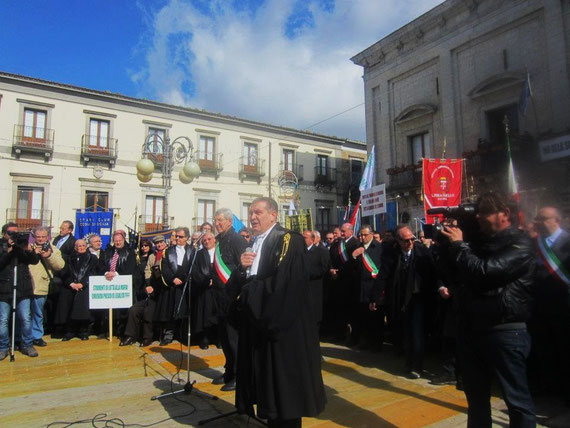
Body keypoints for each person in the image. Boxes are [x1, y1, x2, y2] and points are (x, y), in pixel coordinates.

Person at [441, 191, 536, 427]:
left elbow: (486, 272)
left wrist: (460, 246)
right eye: (478, 213)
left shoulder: (521, 244)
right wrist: (450, 240)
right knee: (477, 402)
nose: (479, 218)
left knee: (517, 402)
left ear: (504, 214)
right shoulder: (476, 243)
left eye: (484, 213)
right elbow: (452, 271)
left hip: (505, 331)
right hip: (472, 329)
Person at [230, 197, 326, 427]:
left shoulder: (287, 240)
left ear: (273, 215)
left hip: (282, 329)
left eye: (258, 212)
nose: (253, 217)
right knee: (269, 393)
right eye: (251, 212)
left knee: (286, 396)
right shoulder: (254, 243)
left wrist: (247, 294)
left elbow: (284, 285)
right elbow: (249, 280)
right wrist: (242, 271)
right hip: (262, 325)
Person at [372, 225, 437, 379]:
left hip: (418, 298)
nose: (410, 243)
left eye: (412, 239)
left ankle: (417, 366)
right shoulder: (391, 254)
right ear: (398, 241)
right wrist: (375, 297)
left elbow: (432, 274)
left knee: (417, 333)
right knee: (405, 332)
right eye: (406, 240)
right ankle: (408, 362)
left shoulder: (421, 251)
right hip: (400, 298)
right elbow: (383, 275)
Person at [531, 206, 570, 403]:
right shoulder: (535, 243)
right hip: (540, 306)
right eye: (538, 218)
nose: (539, 222)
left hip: (564, 305)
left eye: (543, 218)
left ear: (556, 220)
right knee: (545, 348)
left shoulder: (567, 242)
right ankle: (550, 386)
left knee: (564, 349)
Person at [211, 208, 248, 391]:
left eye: (220, 220)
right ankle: (229, 371)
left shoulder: (237, 240)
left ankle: (239, 375)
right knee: (224, 338)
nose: (217, 223)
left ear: (229, 222)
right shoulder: (219, 241)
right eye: (215, 220)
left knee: (234, 339)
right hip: (219, 297)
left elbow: (244, 267)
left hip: (233, 296)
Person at [0, 223, 40, 359]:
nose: (14, 236)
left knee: (25, 318)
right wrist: (8, 252)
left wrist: (28, 250)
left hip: (23, 287)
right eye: (11, 233)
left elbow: (34, 261)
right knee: (3, 319)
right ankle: (3, 347)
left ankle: (27, 344)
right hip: (4, 288)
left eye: (16, 233)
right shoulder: (2, 246)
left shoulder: (21, 246)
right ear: (4, 233)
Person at [120, 235, 167, 347]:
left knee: (148, 312)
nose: (159, 245)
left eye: (161, 242)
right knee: (133, 310)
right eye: (157, 243)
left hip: (163, 292)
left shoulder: (168, 254)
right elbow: (148, 271)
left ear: (165, 243)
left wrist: (155, 287)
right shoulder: (152, 256)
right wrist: (148, 284)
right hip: (151, 290)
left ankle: (147, 338)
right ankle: (130, 336)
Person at [154, 227, 193, 345]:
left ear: (187, 238)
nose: (177, 239)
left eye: (180, 237)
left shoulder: (193, 251)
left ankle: (183, 335)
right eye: (176, 236)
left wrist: (185, 279)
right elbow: (164, 268)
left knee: (184, 311)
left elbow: (193, 266)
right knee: (171, 311)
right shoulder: (169, 251)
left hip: (186, 284)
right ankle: (168, 335)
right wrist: (172, 279)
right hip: (172, 285)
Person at [55, 239, 99, 340]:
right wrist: (71, 283)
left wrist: (82, 283)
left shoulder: (92, 258)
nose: (82, 248)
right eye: (79, 246)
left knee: (83, 308)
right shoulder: (68, 258)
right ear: (75, 247)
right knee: (68, 305)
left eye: (83, 246)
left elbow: (93, 272)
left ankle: (83, 331)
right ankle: (70, 331)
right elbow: (64, 272)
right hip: (71, 286)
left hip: (84, 286)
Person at [29, 227, 65, 347]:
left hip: (41, 285)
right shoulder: (29, 247)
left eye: (43, 236)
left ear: (47, 237)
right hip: (27, 285)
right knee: (24, 314)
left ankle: (37, 336)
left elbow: (60, 265)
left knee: (38, 313)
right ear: (34, 237)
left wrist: (49, 255)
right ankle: (23, 336)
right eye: (38, 236)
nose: (40, 239)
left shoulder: (53, 249)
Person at [97, 230, 137, 338]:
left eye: (120, 240)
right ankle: (108, 330)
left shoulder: (130, 252)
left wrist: (116, 274)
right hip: (109, 283)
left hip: (122, 285)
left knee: (123, 310)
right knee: (109, 309)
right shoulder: (107, 252)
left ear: (124, 240)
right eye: (116, 241)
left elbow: (131, 268)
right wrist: (106, 273)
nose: (118, 243)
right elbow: (101, 266)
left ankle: (122, 331)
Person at [351, 225, 382, 349]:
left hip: (373, 287)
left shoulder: (379, 247)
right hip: (361, 287)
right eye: (360, 235)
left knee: (375, 317)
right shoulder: (358, 247)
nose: (362, 237)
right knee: (363, 316)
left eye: (364, 235)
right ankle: (365, 341)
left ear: (371, 234)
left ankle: (376, 343)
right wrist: (354, 256)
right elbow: (353, 268)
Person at [329, 223, 359, 343]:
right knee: (339, 310)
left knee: (352, 311)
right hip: (337, 281)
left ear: (351, 231)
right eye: (341, 231)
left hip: (350, 281)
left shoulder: (356, 243)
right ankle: (339, 334)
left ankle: (354, 337)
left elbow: (353, 263)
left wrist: (339, 272)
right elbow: (330, 257)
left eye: (343, 231)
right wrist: (331, 269)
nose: (341, 233)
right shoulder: (337, 244)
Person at [191, 232, 218, 350]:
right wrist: (206, 281)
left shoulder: (220, 252)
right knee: (205, 314)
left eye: (209, 239)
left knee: (217, 313)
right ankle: (204, 338)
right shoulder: (199, 254)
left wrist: (216, 281)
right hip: (204, 289)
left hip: (218, 289)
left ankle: (218, 338)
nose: (207, 242)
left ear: (214, 240)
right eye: (204, 240)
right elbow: (195, 271)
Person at [303, 230, 330, 330]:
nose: (302, 240)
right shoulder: (300, 252)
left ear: (312, 239)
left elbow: (323, 269)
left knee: (314, 315)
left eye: (305, 238)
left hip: (314, 287)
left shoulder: (321, 252)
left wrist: (307, 273)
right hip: (302, 288)